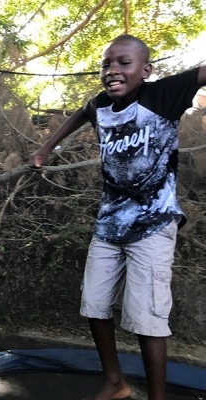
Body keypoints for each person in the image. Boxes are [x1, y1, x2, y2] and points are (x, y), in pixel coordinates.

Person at [29, 35, 206, 400]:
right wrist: (46, 148)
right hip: (110, 223)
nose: (112, 71)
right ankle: (115, 381)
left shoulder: (165, 94)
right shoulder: (101, 104)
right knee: (94, 303)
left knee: (147, 317)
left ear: (146, 69)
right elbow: (81, 113)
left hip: (154, 222)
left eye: (123, 63)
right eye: (106, 64)